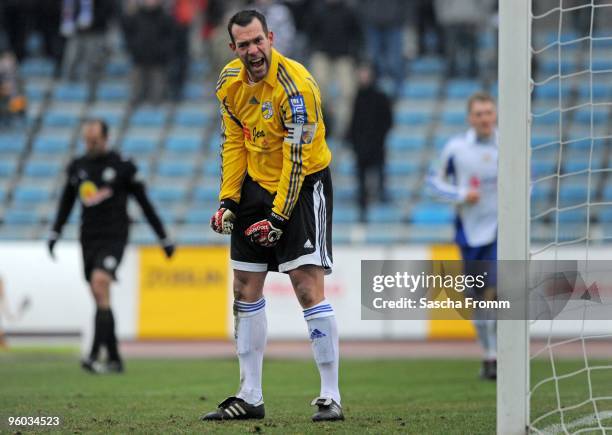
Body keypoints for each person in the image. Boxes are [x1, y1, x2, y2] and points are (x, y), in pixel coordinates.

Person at [203, 10, 342, 422]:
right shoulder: (228, 83)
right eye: (244, 44)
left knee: (305, 286)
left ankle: (330, 396)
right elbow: (233, 141)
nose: (253, 50)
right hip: (255, 185)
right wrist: (229, 200)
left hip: (302, 185)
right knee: (244, 287)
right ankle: (249, 395)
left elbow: (297, 161)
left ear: (271, 37)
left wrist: (279, 218)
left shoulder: (296, 88)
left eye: (258, 41)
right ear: (233, 48)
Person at [48, 119, 175, 374]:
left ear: (106, 138)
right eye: (87, 140)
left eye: (94, 140)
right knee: (100, 296)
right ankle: (115, 358)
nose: (90, 145)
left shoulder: (123, 167)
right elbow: (66, 202)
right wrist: (55, 232)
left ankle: (94, 355)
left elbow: (144, 203)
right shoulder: (78, 167)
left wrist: (163, 238)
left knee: (100, 283)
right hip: (88, 238)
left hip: (115, 237)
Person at [426, 92, 498, 380]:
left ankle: (505, 355)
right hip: (469, 232)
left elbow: (528, 181)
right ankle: (489, 355)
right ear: (470, 118)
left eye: (488, 112)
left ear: (495, 115)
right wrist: (460, 194)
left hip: (501, 229)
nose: (484, 118)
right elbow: (433, 182)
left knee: (497, 291)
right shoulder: (456, 148)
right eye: (479, 113)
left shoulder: (510, 145)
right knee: (479, 299)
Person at [347, 63, 393, 222]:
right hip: (360, 146)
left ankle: (382, 197)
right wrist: (352, 140)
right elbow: (353, 121)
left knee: (379, 171)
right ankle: (362, 204)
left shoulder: (380, 97)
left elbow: (387, 120)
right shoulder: (356, 97)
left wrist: (379, 138)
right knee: (361, 178)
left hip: (376, 144)